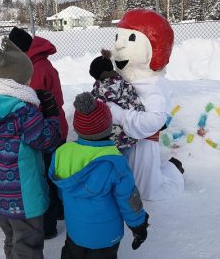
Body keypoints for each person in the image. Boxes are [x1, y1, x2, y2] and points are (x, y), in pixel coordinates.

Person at [0, 37, 62, 259]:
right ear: (20, 79)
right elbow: (48, 141)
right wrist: (51, 115)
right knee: (28, 244)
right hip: (24, 197)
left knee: (11, 239)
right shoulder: (24, 113)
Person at [49, 92, 150, 259]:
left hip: (75, 230)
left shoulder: (62, 153)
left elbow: (63, 191)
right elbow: (129, 198)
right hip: (105, 237)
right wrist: (139, 225)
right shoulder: (115, 162)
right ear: (108, 126)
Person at [108, 9, 185, 201]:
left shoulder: (153, 87)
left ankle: (173, 169)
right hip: (120, 142)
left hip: (142, 144)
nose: (118, 44)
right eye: (118, 36)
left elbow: (154, 121)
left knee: (146, 191)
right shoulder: (120, 78)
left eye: (131, 38)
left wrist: (118, 114)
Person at [9, 26, 68, 239]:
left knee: (45, 178)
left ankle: (49, 226)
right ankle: (60, 211)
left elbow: (33, 104)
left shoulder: (35, 69)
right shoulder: (38, 62)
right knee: (53, 173)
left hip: (48, 129)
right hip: (55, 126)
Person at [89, 49, 146, 159]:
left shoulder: (97, 91)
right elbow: (138, 107)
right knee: (124, 165)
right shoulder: (126, 85)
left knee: (108, 166)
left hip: (105, 139)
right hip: (126, 138)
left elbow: (92, 111)